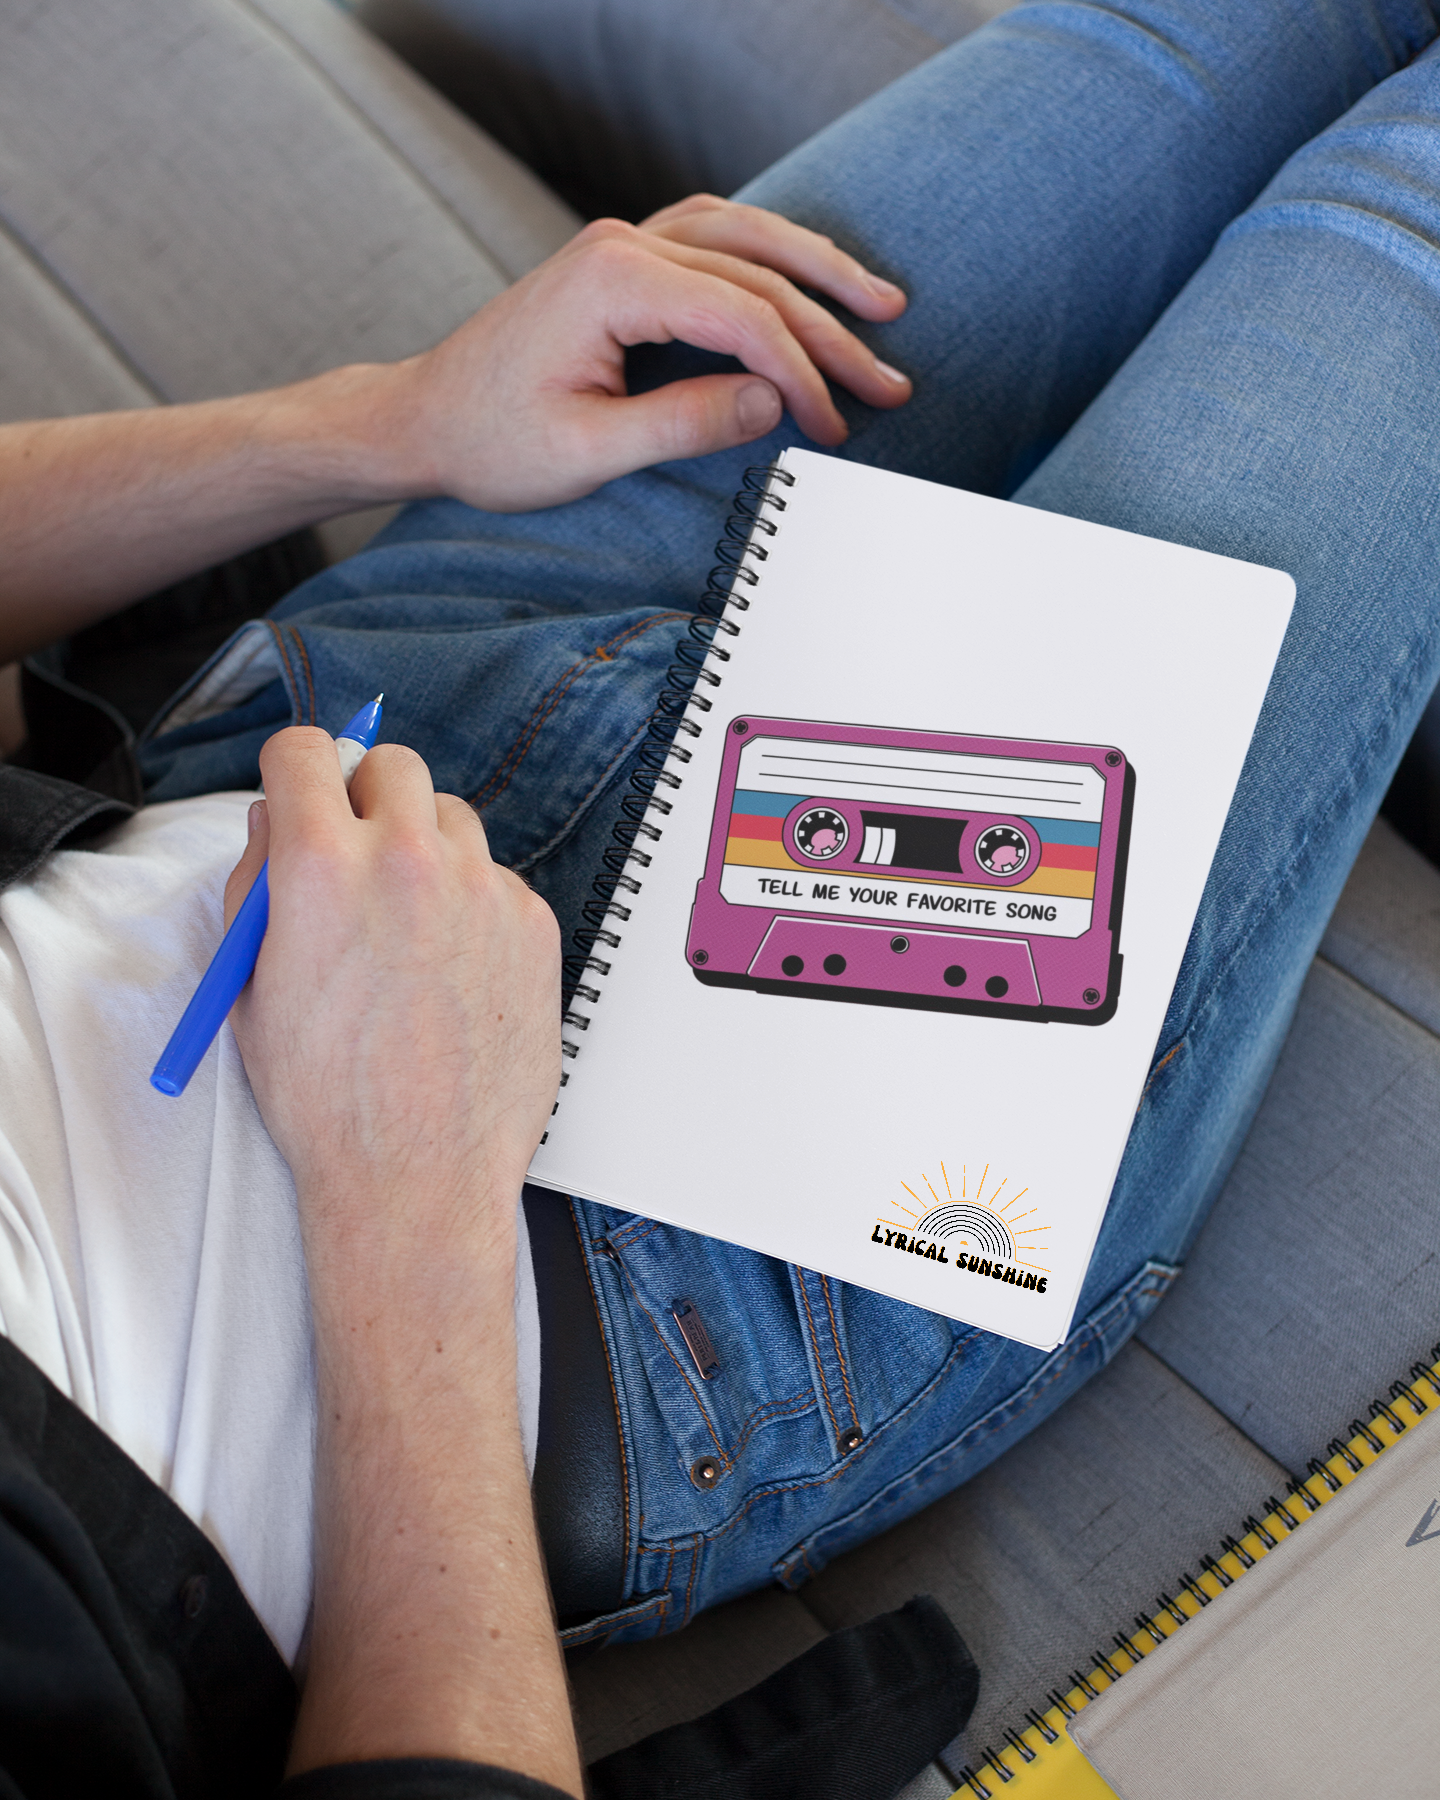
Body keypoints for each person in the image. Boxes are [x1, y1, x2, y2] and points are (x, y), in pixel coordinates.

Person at [4, 0, 1440, 1792]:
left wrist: (391, 421)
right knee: (1411, 210)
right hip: (643, 1243)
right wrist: (409, 1190)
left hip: (340, 721)